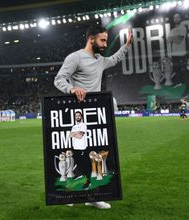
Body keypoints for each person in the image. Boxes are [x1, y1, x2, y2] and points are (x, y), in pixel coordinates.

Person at [54, 24, 132, 209]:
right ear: (91, 38)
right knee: (74, 156)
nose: (105, 43)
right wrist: (72, 88)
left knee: (94, 155)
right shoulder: (75, 57)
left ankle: (93, 197)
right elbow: (59, 79)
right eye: (102, 40)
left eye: (106, 40)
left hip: (95, 116)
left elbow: (115, 59)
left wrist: (127, 46)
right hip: (77, 115)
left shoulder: (100, 60)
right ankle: (70, 193)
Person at [168, 13, 189, 98]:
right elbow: (169, 41)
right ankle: (178, 82)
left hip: (182, 54)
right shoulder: (172, 30)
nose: (176, 19)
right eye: (174, 17)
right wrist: (174, 38)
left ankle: (188, 90)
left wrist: (173, 38)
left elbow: (179, 40)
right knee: (176, 70)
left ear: (180, 19)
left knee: (184, 72)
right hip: (174, 55)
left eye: (177, 17)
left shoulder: (183, 28)